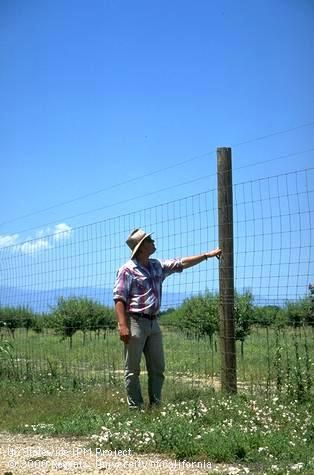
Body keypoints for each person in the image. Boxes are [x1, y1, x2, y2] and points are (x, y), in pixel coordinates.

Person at [113, 228, 222, 409]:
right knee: (132, 369)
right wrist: (122, 325)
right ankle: (135, 408)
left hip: (153, 323)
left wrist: (206, 255)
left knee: (158, 368)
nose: (153, 241)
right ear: (141, 247)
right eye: (149, 240)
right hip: (135, 322)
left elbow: (181, 262)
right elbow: (119, 298)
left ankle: (155, 405)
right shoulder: (127, 270)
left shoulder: (157, 265)